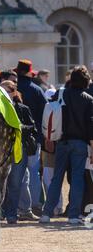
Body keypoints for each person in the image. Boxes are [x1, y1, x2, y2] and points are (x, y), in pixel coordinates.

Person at [40, 66, 93, 225]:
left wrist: (48, 137)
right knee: (77, 179)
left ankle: (46, 213)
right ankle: (74, 215)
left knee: (57, 178)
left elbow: (50, 113)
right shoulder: (89, 99)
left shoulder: (61, 93)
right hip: (80, 144)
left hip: (61, 141)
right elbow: (91, 128)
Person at [1, 81, 37, 224]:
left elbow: (33, 127)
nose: (4, 94)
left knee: (15, 183)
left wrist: (18, 127)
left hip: (18, 149)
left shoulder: (22, 108)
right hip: (1, 150)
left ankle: (11, 214)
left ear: (14, 92)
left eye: (7, 91)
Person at [16, 60, 47, 217]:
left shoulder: (12, 88)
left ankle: (22, 206)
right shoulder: (37, 90)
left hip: (15, 136)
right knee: (34, 173)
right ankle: (36, 205)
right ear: (29, 72)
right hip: (34, 137)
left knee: (17, 174)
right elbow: (46, 113)